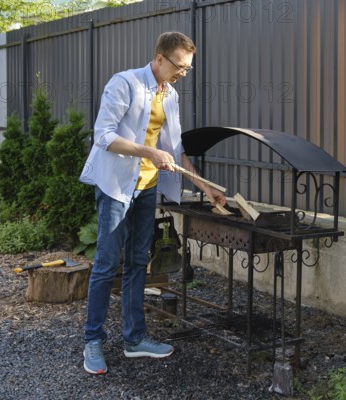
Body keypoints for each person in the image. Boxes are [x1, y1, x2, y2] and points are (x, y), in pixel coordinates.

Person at [79, 31, 226, 375]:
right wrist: (148, 151)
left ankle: (134, 339)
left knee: (137, 262)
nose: (183, 73)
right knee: (106, 263)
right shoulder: (125, 83)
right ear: (159, 58)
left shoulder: (170, 95)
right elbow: (103, 135)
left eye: (188, 68)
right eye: (179, 66)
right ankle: (92, 341)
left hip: (146, 187)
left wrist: (204, 187)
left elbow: (175, 152)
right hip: (115, 186)